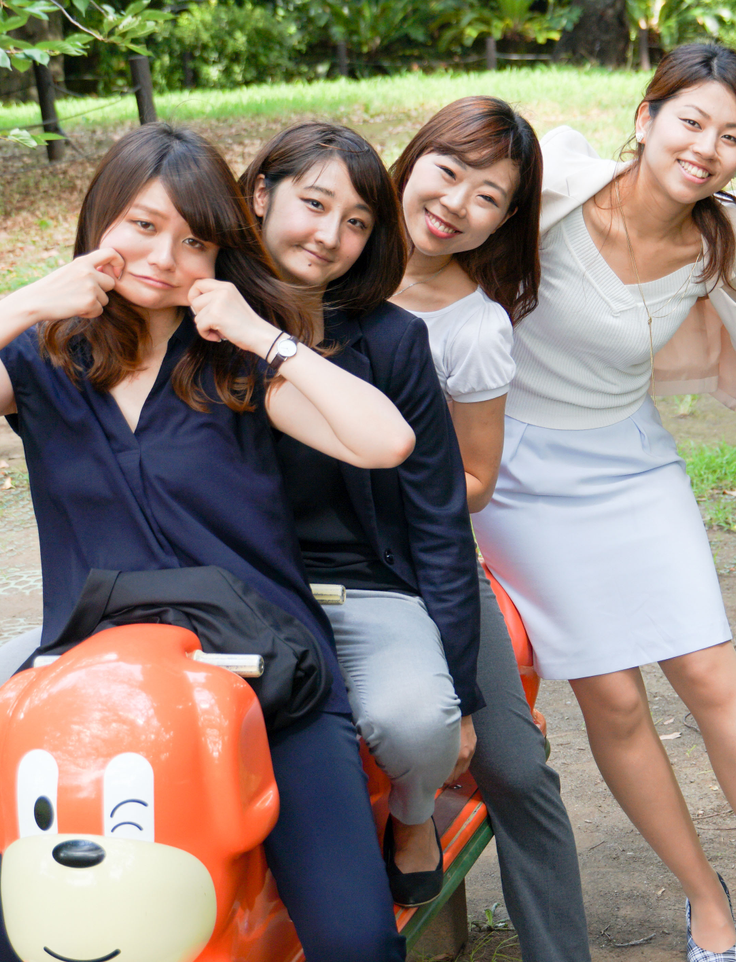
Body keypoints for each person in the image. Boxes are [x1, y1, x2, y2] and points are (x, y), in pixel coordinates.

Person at [0, 123, 412, 962]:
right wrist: (32, 301)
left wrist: (265, 335)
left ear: (220, 254)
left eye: (195, 241)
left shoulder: (235, 362)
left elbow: (385, 443)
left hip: (266, 684)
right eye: (143, 225)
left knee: (356, 941)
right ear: (100, 225)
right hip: (91, 698)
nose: (164, 257)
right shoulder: (46, 360)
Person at [469, 44, 736, 962]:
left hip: (631, 461)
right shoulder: (550, 199)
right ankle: (706, 902)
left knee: (710, 670)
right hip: (520, 474)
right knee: (615, 697)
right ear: (646, 118)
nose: (706, 149)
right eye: (690, 121)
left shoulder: (726, 236)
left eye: (731, 137)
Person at [236, 121, 476, 907]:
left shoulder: (394, 342)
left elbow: (438, 516)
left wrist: (462, 694)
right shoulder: (204, 323)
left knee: (418, 723)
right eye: (314, 204)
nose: (329, 235)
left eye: (357, 222)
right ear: (261, 194)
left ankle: (412, 816)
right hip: (240, 591)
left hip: (364, 589)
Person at [387, 97, 592, 961]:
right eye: (448, 171)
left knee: (512, 763)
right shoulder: (320, 260)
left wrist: (379, 472)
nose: (455, 204)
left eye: (489, 197)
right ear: (412, 160)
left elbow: (475, 481)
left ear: (505, 222)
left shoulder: (472, 326)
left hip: (421, 558)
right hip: (285, 555)